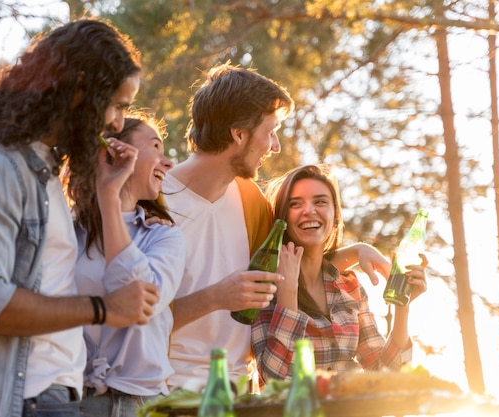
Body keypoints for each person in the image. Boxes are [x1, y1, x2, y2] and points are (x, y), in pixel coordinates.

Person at [0, 19, 160, 417]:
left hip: (49, 397)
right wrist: (103, 307)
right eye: (117, 105)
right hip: (24, 402)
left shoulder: (37, 169)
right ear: (80, 90)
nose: (117, 123)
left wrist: (109, 191)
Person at [162, 63, 393, 392]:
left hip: (237, 396)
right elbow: (127, 322)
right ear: (239, 134)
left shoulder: (249, 199)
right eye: (270, 132)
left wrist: (355, 251)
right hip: (163, 393)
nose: (276, 146)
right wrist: (215, 297)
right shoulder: (153, 200)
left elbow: (293, 266)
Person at [251, 165, 428, 384]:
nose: (308, 210)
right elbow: (275, 380)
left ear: (335, 216)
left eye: (320, 202)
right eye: (295, 204)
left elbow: (387, 376)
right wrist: (287, 292)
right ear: (282, 218)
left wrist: (403, 306)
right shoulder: (264, 286)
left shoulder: (349, 286)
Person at [72, 113, 185, 416]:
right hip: (69, 401)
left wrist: (111, 197)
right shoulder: (67, 232)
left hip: (140, 404)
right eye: (156, 147)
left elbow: (140, 301)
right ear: (114, 151)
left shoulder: (164, 237)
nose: (168, 162)